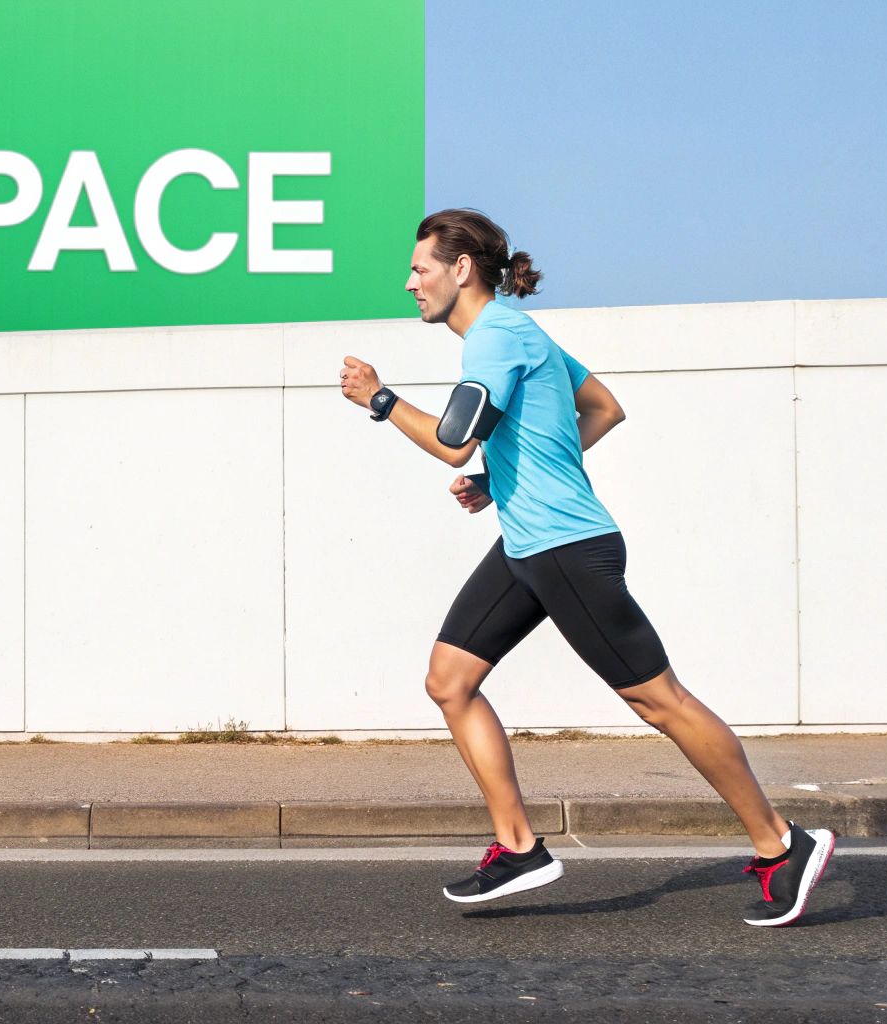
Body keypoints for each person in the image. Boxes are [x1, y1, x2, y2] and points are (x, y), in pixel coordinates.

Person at [336, 208, 835, 926]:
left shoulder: (494, 339)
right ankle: (519, 848)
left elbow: (451, 442)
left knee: (659, 701)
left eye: (420, 269)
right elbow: (602, 407)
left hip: (566, 548)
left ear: (461, 269)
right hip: (528, 543)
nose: (409, 282)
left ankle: (783, 843)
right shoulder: (519, 333)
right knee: (450, 681)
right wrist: (505, 480)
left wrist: (379, 400)